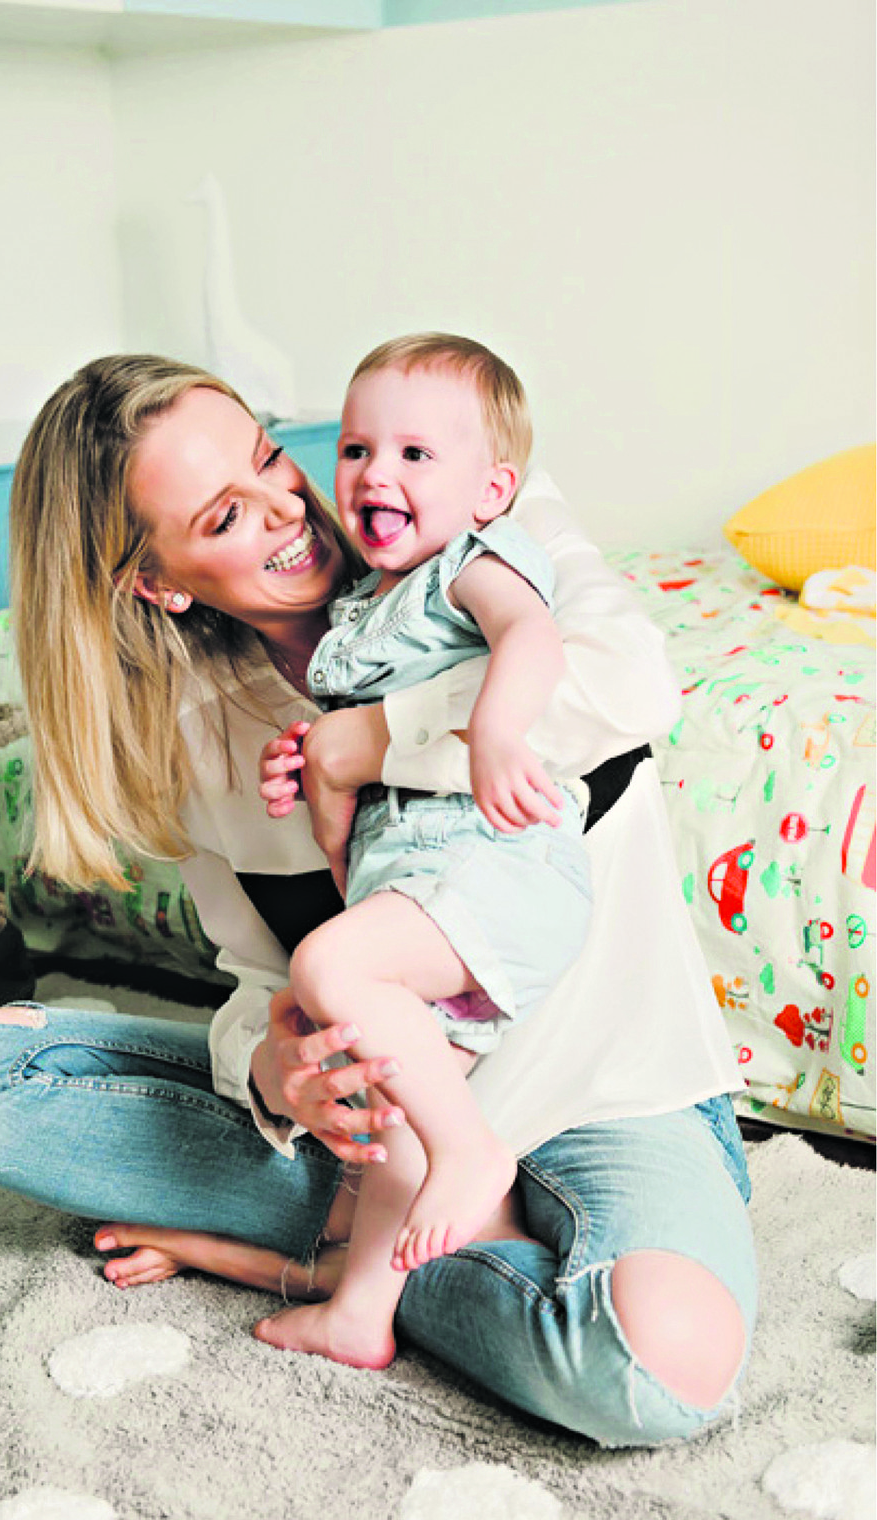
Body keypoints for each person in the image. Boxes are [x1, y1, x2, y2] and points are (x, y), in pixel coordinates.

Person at [0, 352, 756, 1448]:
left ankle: (326, 1260)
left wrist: (368, 741)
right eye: (224, 515)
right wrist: (275, 1072)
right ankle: (395, 1229)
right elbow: (259, 979)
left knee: (655, 1366)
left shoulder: (474, 505)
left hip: (611, 1092)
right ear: (154, 580)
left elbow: (631, 678)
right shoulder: (205, 730)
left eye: (269, 455)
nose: (292, 509)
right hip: (383, 1134)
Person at [254, 336, 592, 1368]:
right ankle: (362, 1308)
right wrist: (315, 771)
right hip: (421, 877)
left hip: (494, 863)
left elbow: (534, 638)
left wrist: (492, 732)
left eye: (413, 453)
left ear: (490, 490)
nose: (373, 476)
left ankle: (473, 1152)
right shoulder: (363, 605)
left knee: (328, 963)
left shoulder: (472, 565)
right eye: (356, 450)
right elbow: (346, 803)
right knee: (390, 1089)